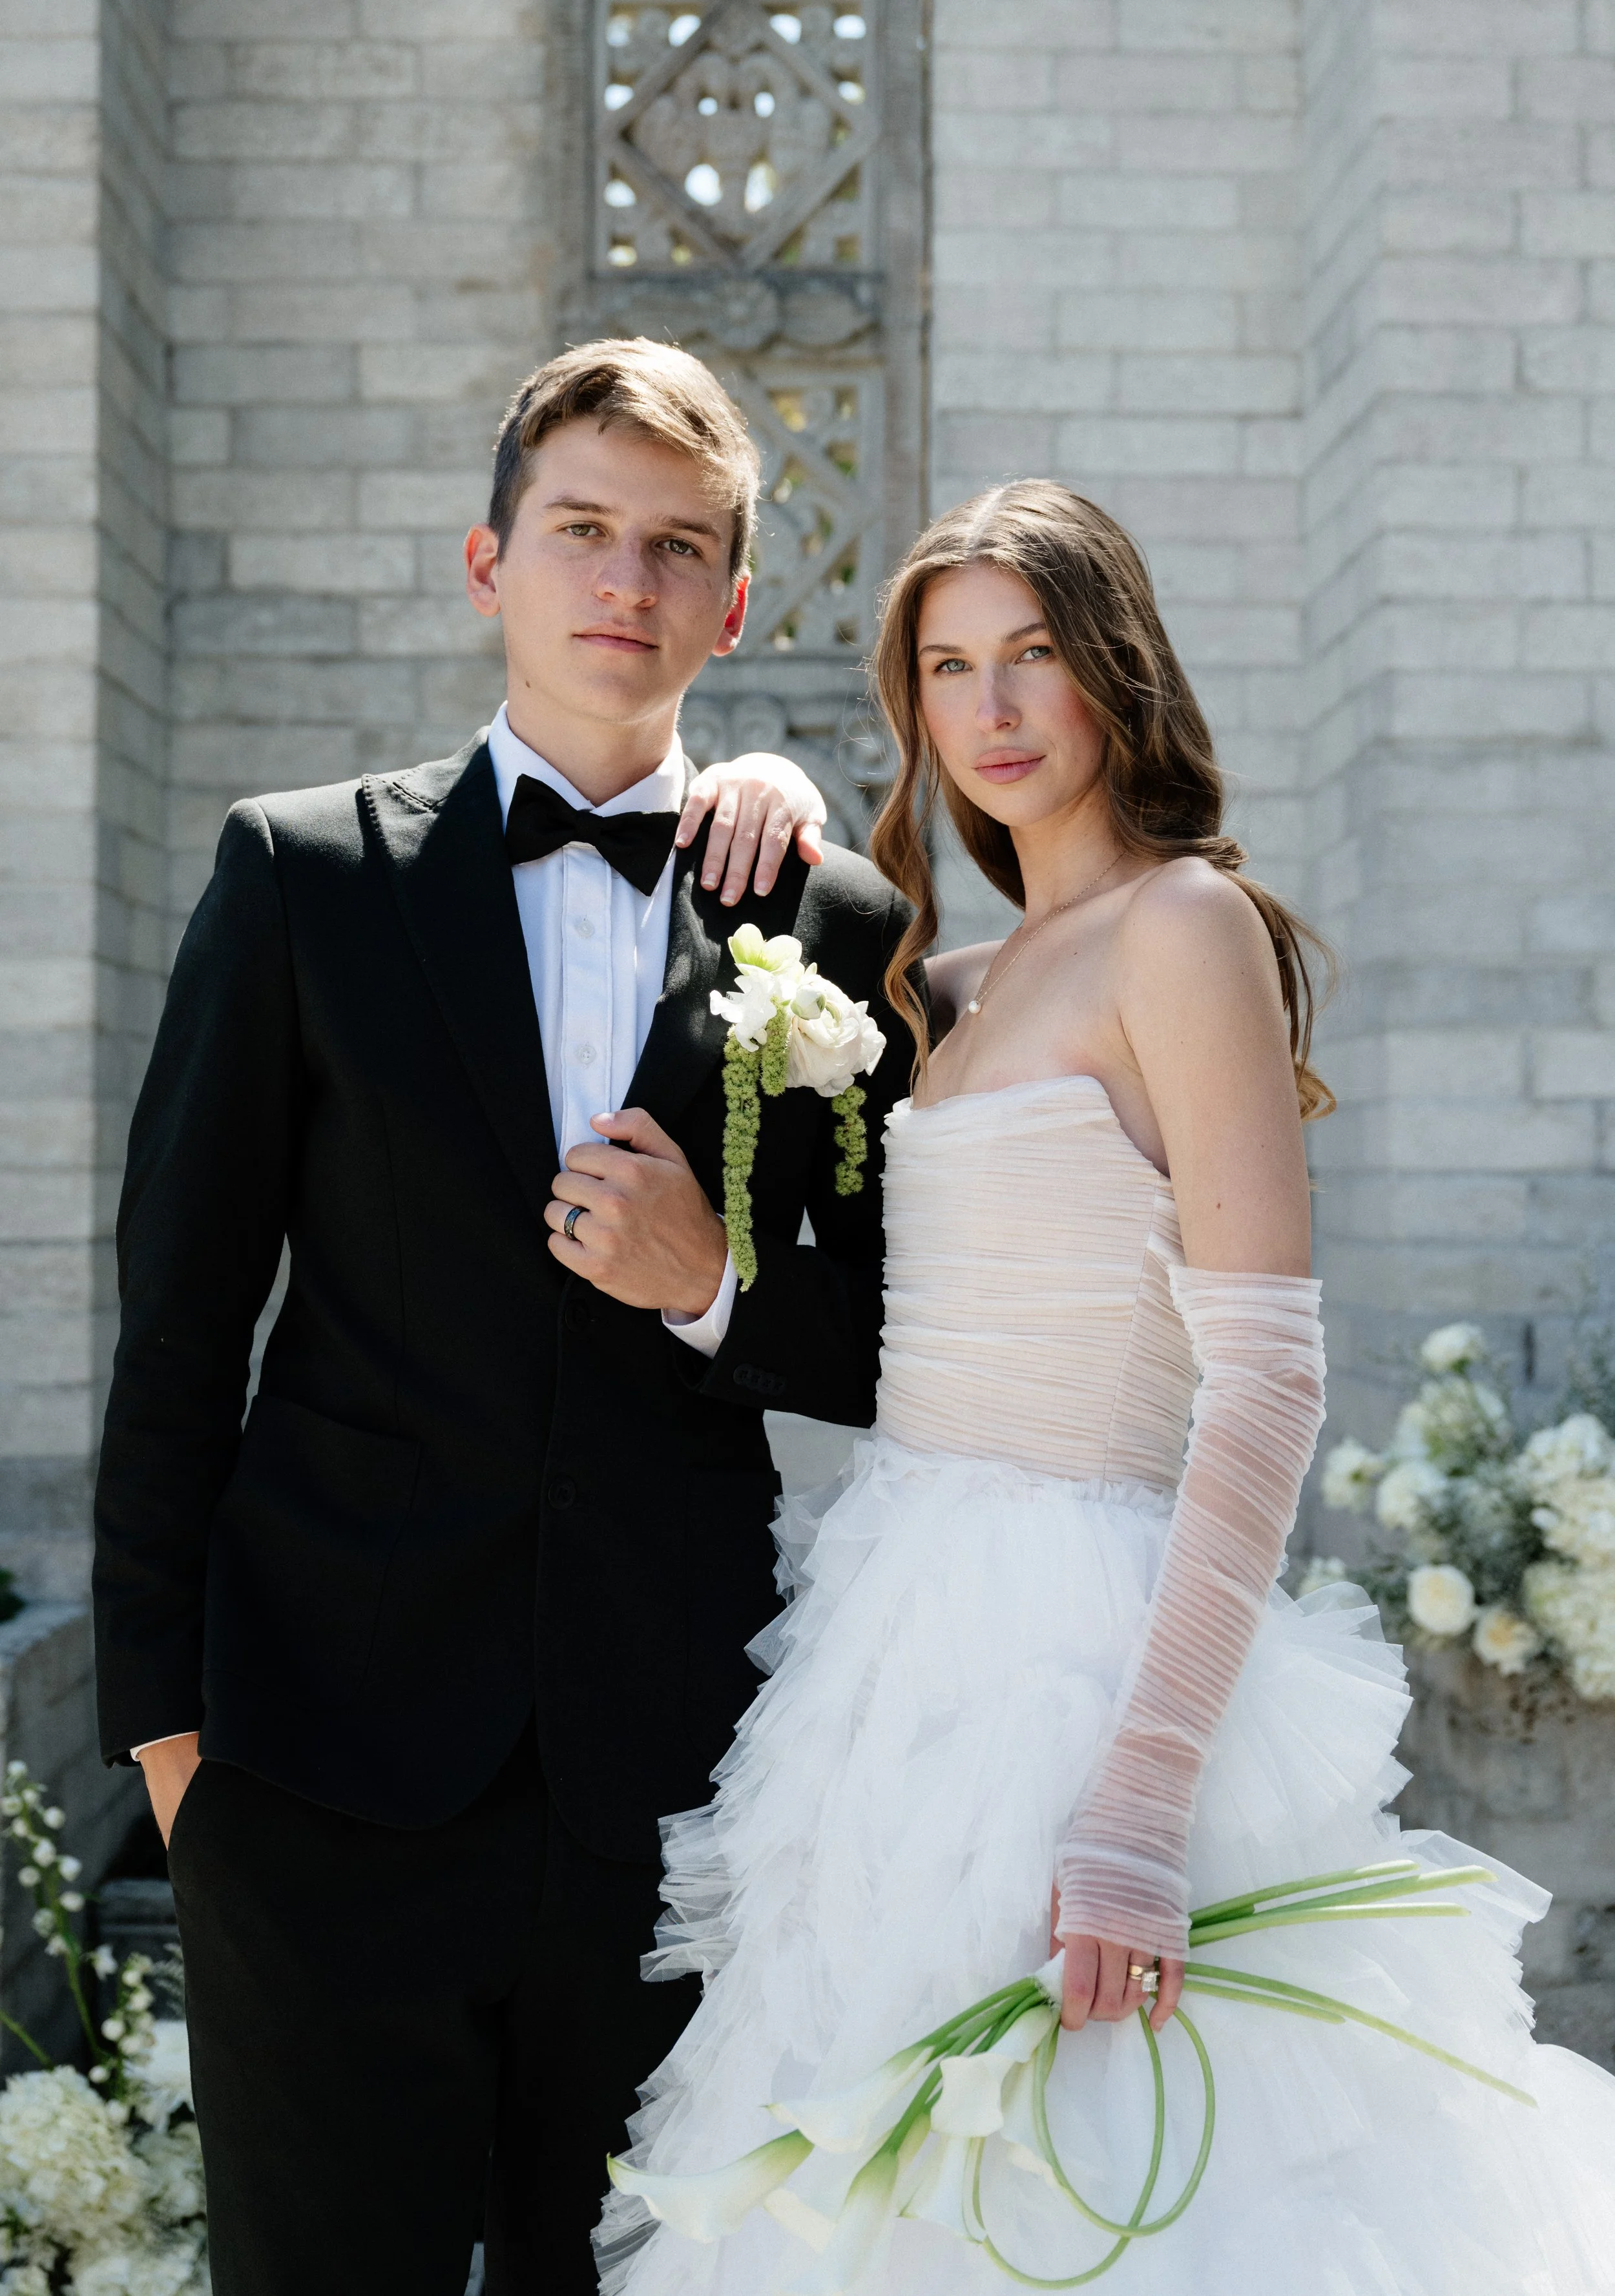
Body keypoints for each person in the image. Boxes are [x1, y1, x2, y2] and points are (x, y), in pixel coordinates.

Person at [602, 482, 1615, 2296]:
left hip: (1083, 1649)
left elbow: (1267, 1383)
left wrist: (1140, 1799)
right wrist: (771, 783)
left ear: (1115, 670)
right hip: (888, 1638)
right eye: (947, 670)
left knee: (1108, 2186)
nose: (991, 712)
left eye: (1034, 658)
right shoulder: (947, 985)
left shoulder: (1182, 927)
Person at [90, 336, 916, 2296]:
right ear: (491, 567)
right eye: (579, 533)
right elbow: (182, 1322)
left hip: (672, 1780)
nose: (621, 584)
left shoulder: (831, 926)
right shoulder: (298, 877)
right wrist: (168, 1743)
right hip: (317, 1768)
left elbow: (890, 1341)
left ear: (732, 602)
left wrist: (710, 1291)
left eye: (674, 548)